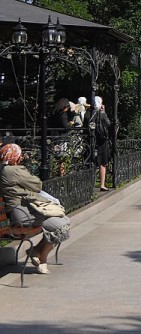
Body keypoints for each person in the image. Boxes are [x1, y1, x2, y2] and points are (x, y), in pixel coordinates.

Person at [0, 143, 71, 274]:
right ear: (15, 156)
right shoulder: (14, 170)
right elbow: (37, 184)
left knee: (63, 221)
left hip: (22, 212)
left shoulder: (5, 170)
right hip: (25, 215)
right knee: (61, 226)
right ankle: (42, 259)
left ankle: (36, 251)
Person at [88, 96, 111, 191]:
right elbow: (108, 124)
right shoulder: (102, 114)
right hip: (102, 141)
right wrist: (104, 112)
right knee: (103, 163)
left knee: (91, 161)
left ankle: (90, 184)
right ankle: (102, 184)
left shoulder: (89, 113)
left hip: (91, 140)